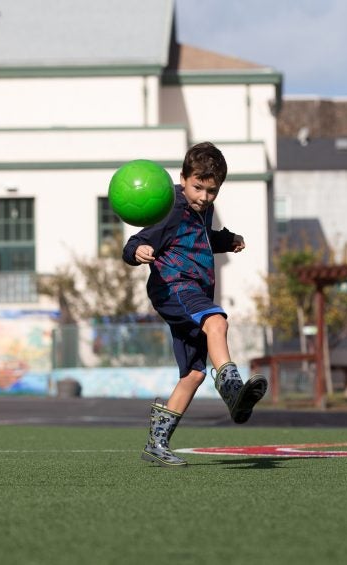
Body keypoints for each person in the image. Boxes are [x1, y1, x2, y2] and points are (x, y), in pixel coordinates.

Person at [122, 142, 267, 467]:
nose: (203, 196)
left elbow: (196, 237)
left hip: (194, 292)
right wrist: (138, 252)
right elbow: (135, 242)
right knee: (217, 322)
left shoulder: (202, 210)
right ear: (183, 178)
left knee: (193, 374)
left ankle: (157, 444)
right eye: (197, 187)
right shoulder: (169, 207)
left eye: (211, 191)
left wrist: (224, 240)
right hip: (174, 288)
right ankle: (232, 390)